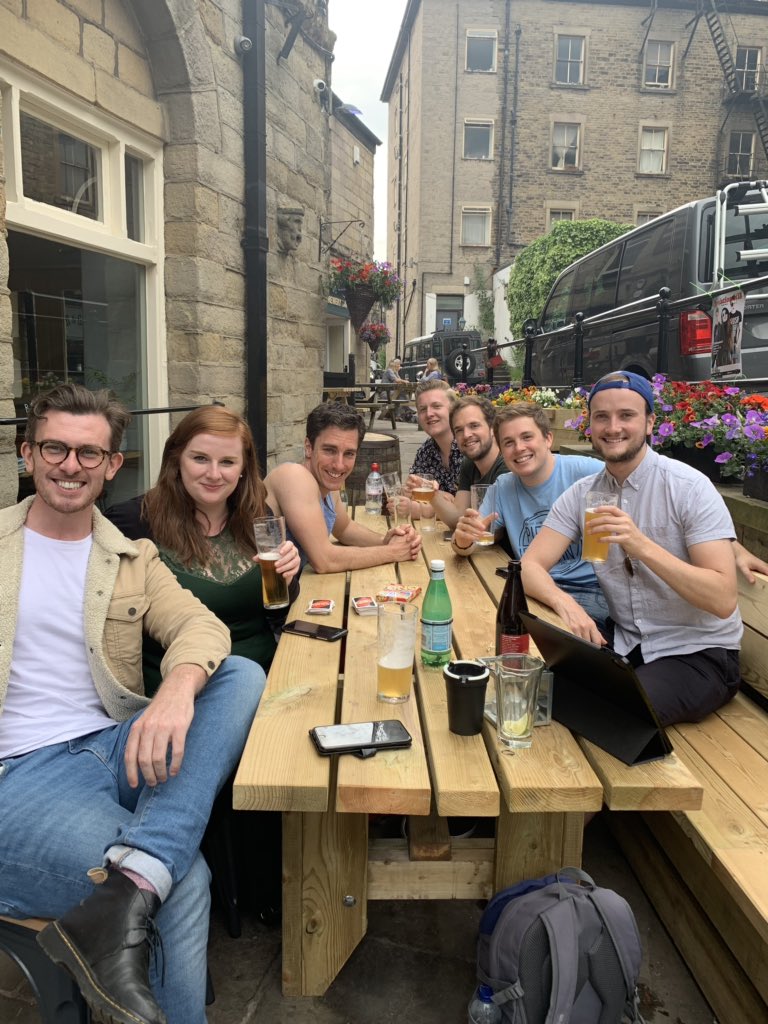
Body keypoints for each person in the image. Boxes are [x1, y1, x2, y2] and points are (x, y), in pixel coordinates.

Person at [0, 383, 264, 1024]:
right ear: (25, 452)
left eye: (90, 454)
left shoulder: (128, 555)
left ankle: (139, 869)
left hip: (110, 744)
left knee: (240, 674)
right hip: (20, 774)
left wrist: (176, 690)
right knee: (184, 883)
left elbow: (202, 630)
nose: (71, 465)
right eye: (55, 448)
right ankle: (146, 876)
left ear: (114, 465)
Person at [522, 371, 746, 726]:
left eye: (626, 415)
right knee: (536, 689)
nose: (613, 427)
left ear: (650, 422)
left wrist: (640, 545)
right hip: (627, 643)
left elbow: (722, 599)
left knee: (611, 712)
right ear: (589, 425)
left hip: (698, 653)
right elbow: (531, 565)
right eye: (601, 416)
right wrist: (568, 605)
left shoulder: (689, 487)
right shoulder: (585, 493)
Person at [106, 406, 301, 690]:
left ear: (244, 467)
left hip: (268, 678)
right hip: (181, 691)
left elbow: (275, 613)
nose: (213, 473)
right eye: (200, 458)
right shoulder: (132, 522)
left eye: (227, 462)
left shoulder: (257, 514)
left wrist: (288, 577)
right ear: (176, 459)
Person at [453, 402, 609, 629]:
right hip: (534, 587)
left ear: (548, 439)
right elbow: (471, 540)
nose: (518, 448)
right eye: (509, 442)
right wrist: (463, 540)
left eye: (527, 437)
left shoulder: (588, 473)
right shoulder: (504, 486)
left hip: (590, 589)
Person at [265, 401, 421, 572]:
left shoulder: (327, 486)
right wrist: (392, 552)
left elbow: (345, 529)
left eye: (349, 454)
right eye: (330, 450)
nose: (339, 465)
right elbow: (324, 560)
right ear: (309, 447)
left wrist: (387, 540)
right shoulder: (294, 476)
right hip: (263, 596)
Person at [430, 395, 507, 530]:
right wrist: (431, 493)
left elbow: (488, 527)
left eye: (474, 426)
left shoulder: (506, 465)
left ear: (492, 428)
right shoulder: (470, 463)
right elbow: (457, 517)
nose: (466, 435)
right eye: (459, 430)